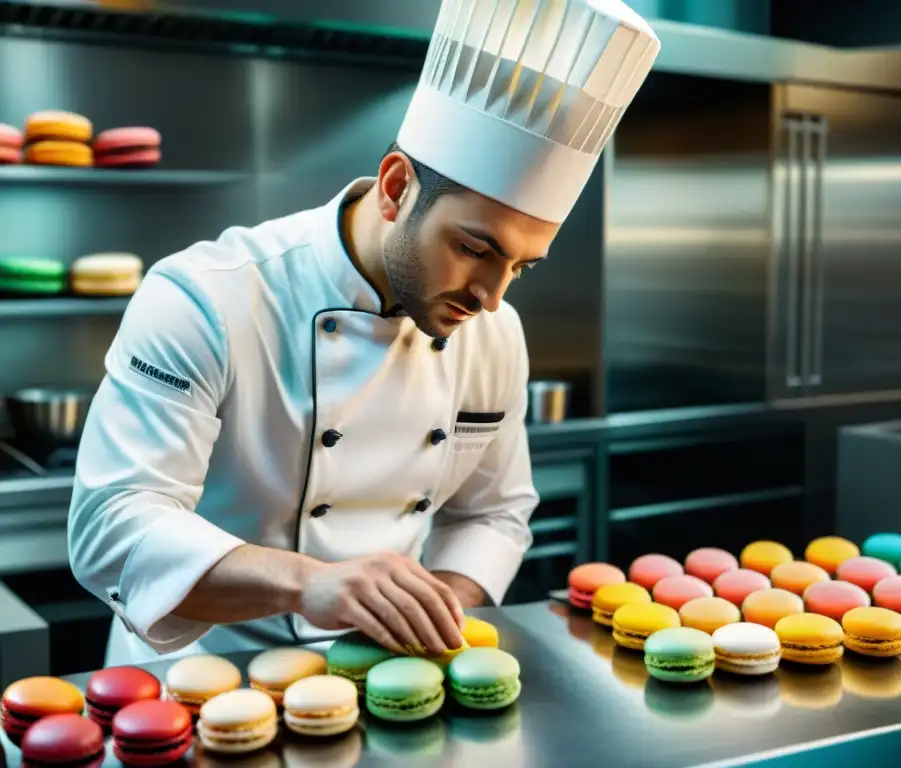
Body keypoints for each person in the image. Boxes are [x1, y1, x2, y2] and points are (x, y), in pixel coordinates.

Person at [67, 0, 660, 666]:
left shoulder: (494, 332)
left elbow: (492, 514)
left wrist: (429, 614)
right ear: (397, 186)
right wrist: (309, 584)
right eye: (474, 248)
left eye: (520, 267)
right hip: (197, 680)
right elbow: (111, 528)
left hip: (384, 680)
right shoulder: (207, 296)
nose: (491, 296)